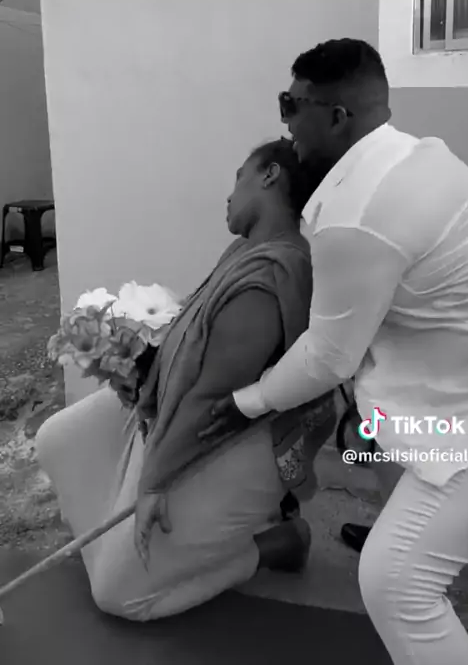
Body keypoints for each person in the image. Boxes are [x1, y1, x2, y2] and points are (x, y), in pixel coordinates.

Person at [202, 38, 468, 665]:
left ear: (335, 116)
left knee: (396, 583)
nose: (284, 124)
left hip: (464, 422)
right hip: (435, 394)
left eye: (291, 105)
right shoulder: (420, 157)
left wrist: (248, 402)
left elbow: (328, 357)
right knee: (390, 466)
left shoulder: (357, 212)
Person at [36, 138, 336, 621]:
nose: (229, 195)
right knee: (58, 438)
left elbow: (211, 398)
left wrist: (155, 482)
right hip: (180, 410)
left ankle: (279, 541)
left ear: (269, 175)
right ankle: (140, 550)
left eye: (239, 177)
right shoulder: (245, 250)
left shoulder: (272, 273)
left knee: (116, 595)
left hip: (230, 436)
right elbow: (194, 342)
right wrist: (139, 371)